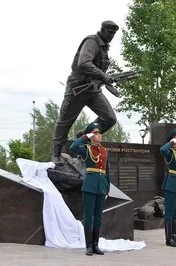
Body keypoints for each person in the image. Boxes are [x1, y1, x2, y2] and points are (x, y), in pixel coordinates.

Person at [53, 20, 119, 165]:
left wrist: (107, 78)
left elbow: (97, 71)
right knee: (65, 121)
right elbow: (83, 63)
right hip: (78, 88)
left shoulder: (104, 47)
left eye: (114, 33)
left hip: (93, 90)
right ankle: (56, 154)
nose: (112, 35)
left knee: (109, 119)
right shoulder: (92, 42)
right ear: (102, 30)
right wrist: (103, 75)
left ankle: (84, 136)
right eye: (109, 32)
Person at [70, 122, 110, 256]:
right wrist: (85, 137)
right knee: (89, 217)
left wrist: (107, 187)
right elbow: (73, 146)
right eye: (96, 134)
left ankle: (96, 245)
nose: (99, 136)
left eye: (99, 133)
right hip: (90, 186)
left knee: (98, 217)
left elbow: (107, 171)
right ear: (91, 136)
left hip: (101, 186)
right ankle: (88, 246)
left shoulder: (104, 151)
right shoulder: (86, 149)